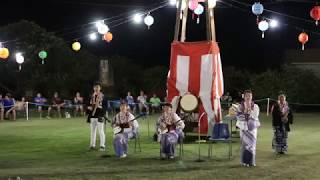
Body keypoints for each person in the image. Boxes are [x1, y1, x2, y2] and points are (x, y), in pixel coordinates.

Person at [236, 90, 260, 167]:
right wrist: (245, 112)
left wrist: (250, 112)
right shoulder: (240, 106)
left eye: (250, 96)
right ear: (244, 96)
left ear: (252, 97)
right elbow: (238, 116)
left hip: (252, 128)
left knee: (252, 145)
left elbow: (256, 116)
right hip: (243, 128)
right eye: (247, 96)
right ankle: (244, 162)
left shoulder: (255, 106)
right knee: (244, 144)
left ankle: (251, 162)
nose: (248, 97)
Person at [87, 83, 106, 151]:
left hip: (99, 115)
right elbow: (88, 104)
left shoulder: (102, 96)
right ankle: (92, 145)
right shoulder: (91, 96)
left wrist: (102, 113)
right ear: (93, 88)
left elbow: (105, 106)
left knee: (101, 131)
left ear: (100, 88)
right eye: (95, 87)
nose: (96, 88)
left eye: (98, 87)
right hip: (92, 115)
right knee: (92, 131)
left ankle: (102, 146)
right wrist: (88, 108)